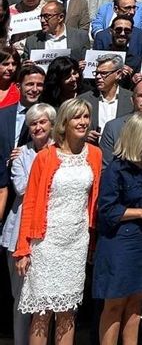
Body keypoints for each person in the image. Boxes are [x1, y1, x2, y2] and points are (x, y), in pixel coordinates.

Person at [14, 98, 102, 345]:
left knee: (68, 312)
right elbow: (30, 203)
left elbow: (93, 201)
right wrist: (23, 249)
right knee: (42, 313)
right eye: (77, 117)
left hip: (76, 243)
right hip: (46, 243)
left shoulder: (94, 154)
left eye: (86, 116)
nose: (83, 122)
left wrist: (93, 241)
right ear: (64, 121)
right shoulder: (45, 157)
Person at [93, 113, 142, 345]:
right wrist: (141, 213)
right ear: (140, 136)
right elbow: (107, 210)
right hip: (120, 244)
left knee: (136, 304)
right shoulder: (116, 169)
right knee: (114, 304)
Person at [1, 103, 54, 345]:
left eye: (42, 122)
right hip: (19, 232)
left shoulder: (62, 152)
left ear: (52, 125)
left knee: (46, 297)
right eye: (33, 123)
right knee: (20, 296)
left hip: (51, 233)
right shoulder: (21, 153)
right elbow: (21, 187)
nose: (37, 127)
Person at [79, 54, 133, 141]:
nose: (98, 77)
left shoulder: (131, 99)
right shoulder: (83, 100)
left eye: (104, 73)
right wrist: (83, 135)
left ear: (118, 74)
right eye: (96, 73)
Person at [22, 0, 90, 62]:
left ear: (60, 17)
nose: (42, 20)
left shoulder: (80, 37)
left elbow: (86, 62)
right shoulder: (32, 41)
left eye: (47, 16)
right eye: (41, 16)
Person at [93, 13, 142, 80]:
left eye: (127, 31)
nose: (122, 33)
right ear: (111, 32)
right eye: (118, 30)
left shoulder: (136, 60)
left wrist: (132, 78)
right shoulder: (101, 56)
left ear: (131, 33)